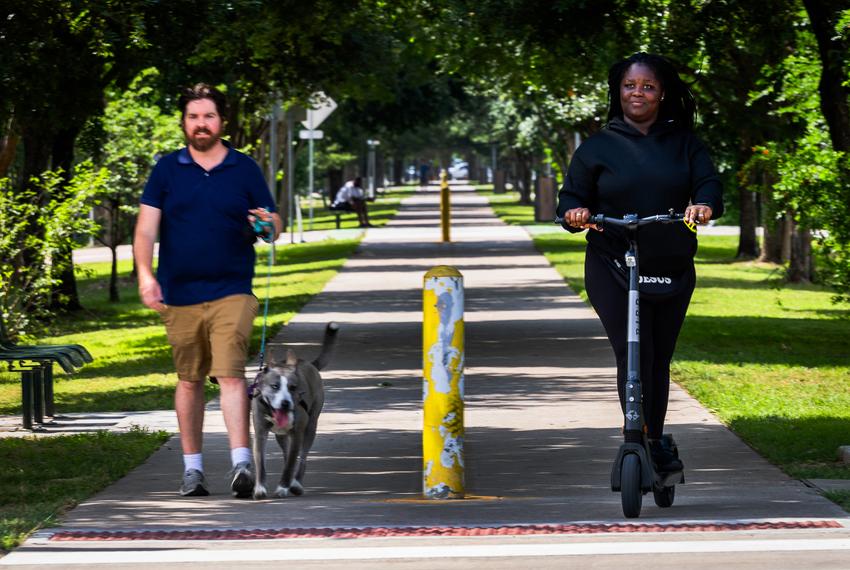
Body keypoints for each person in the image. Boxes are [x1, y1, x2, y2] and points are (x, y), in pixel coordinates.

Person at [556, 53, 723, 473]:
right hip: (613, 263)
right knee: (633, 353)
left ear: (662, 93)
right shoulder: (597, 147)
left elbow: (708, 185)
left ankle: (654, 438)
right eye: (630, 85)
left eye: (648, 86)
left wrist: (703, 205)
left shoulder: (685, 143)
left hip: (670, 263)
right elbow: (570, 199)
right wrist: (576, 215)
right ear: (618, 90)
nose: (638, 93)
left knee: (657, 357)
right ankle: (635, 435)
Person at [133, 83, 282, 498]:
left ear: (222, 121)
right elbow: (145, 229)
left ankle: (241, 465)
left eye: (209, 116)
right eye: (194, 117)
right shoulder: (166, 169)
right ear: (184, 122)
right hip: (179, 293)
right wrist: (146, 275)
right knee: (189, 379)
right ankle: (193, 470)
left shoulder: (244, 168)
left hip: (232, 288)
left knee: (230, 374)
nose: (201, 124)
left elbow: (272, 222)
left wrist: (268, 224)